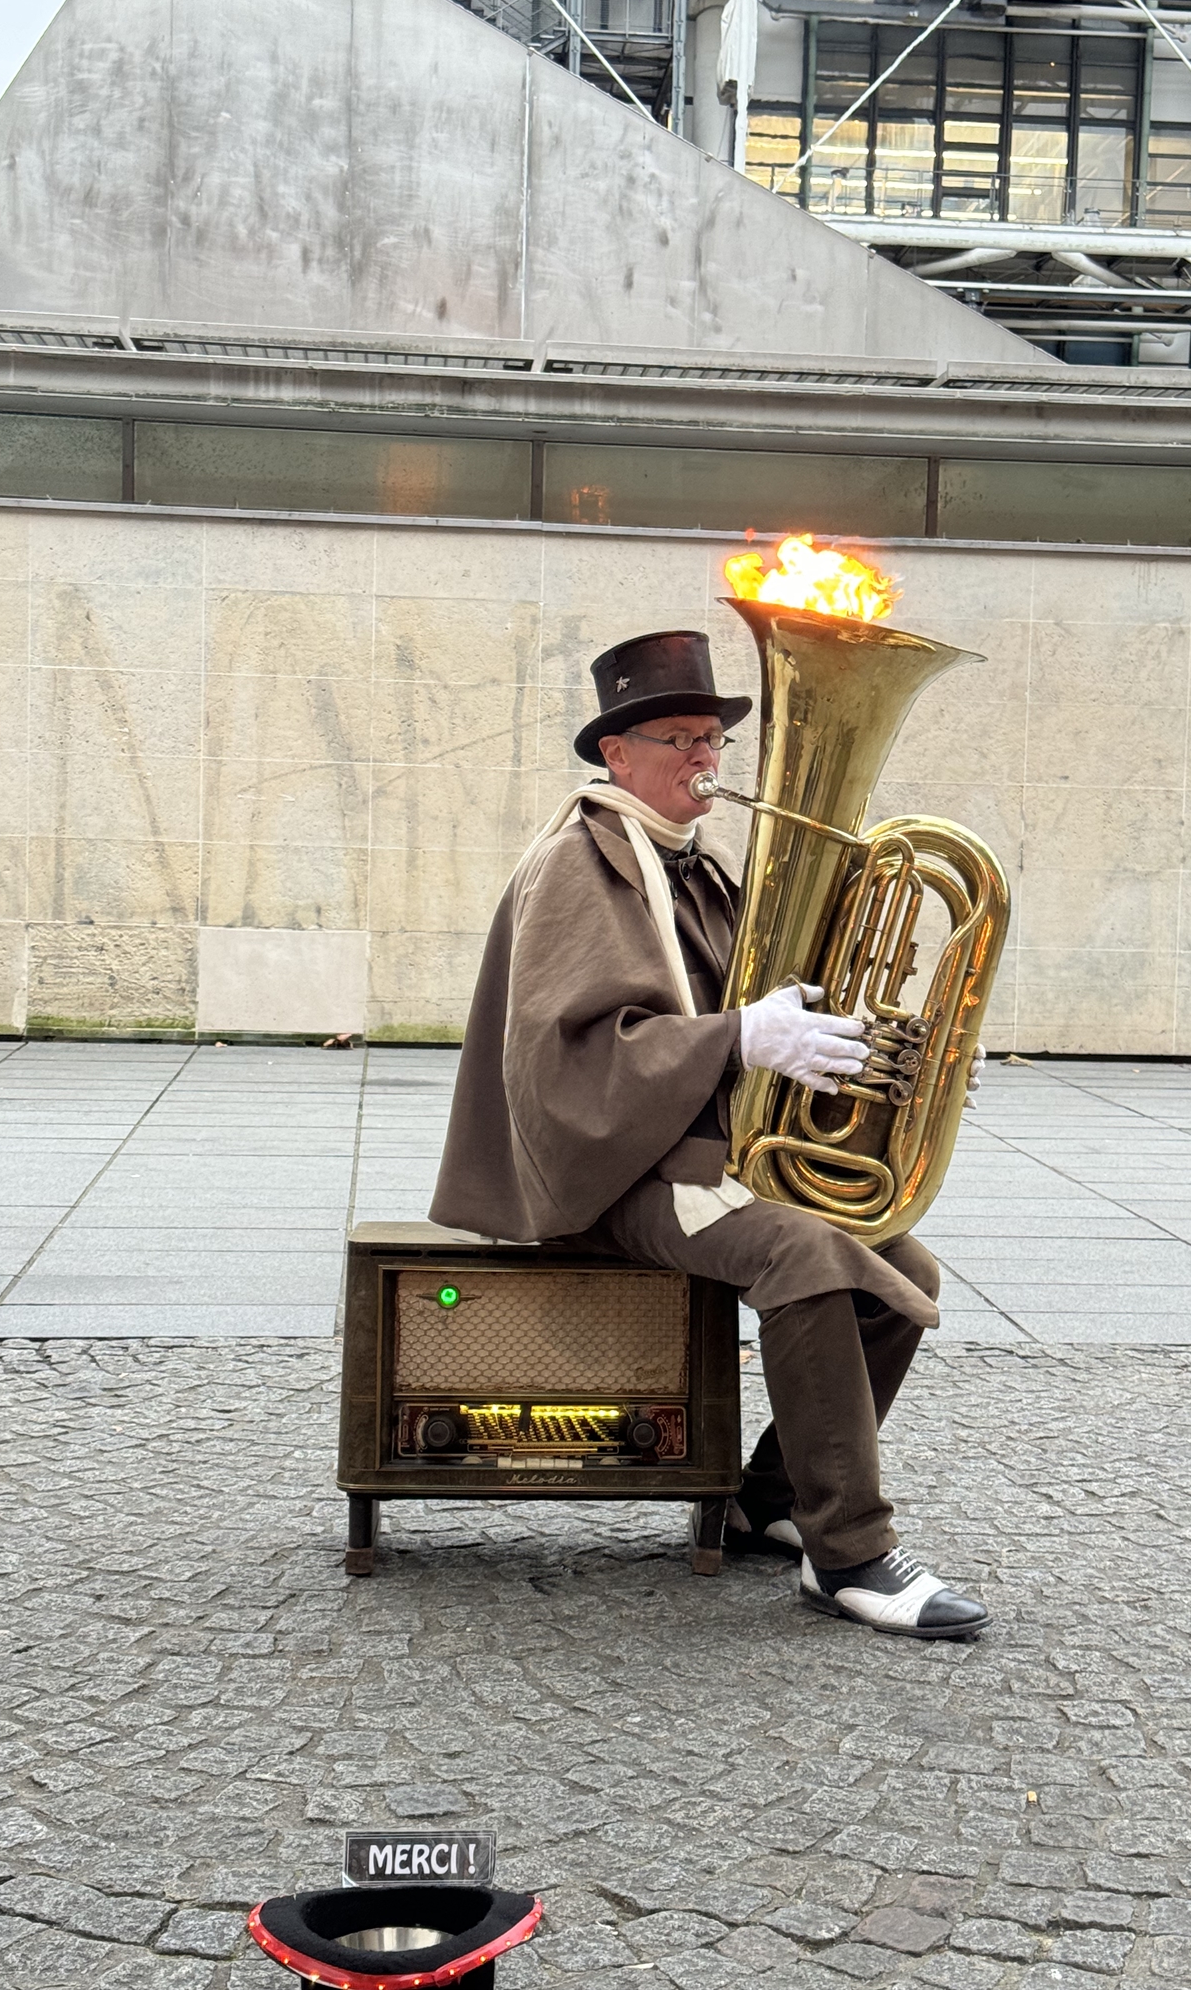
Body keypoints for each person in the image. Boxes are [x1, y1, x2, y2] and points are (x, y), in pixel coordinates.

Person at [431, 631, 988, 1640]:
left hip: (700, 1161)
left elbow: (769, 1036)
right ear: (618, 755)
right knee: (809, 1253)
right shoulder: (576, 864)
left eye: (715, 740)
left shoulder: (701, 869)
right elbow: (573, 1063)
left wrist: (909, 1064)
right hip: (611, 1176)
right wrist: (741, 1034)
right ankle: (849, 1551)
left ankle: (767, 1499)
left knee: (905, 1270)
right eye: (679, 738)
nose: (706, 760)